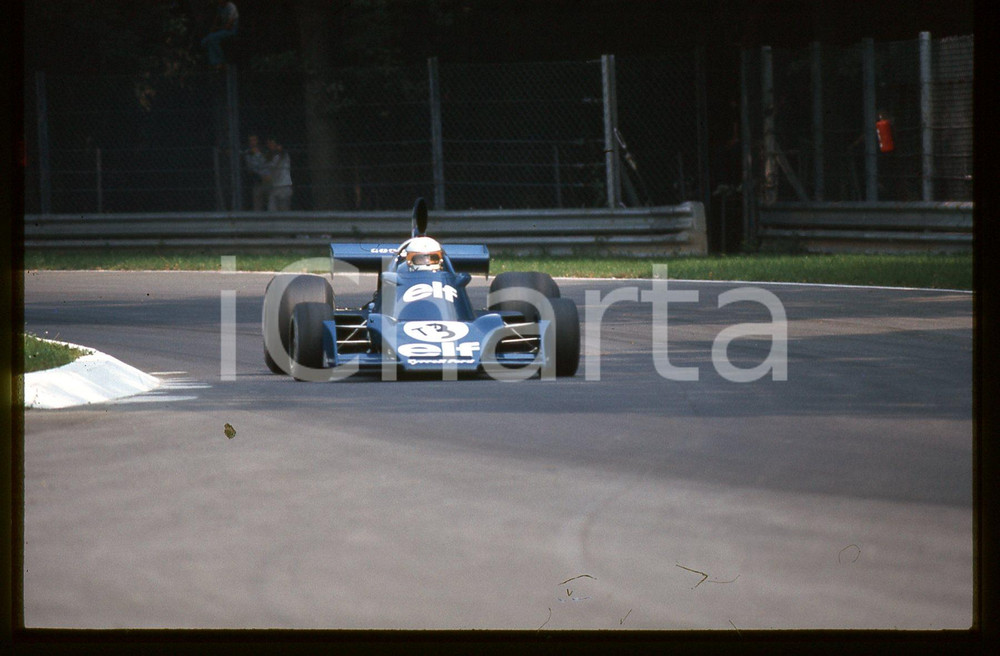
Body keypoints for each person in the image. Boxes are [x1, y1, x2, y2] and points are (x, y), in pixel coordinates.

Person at [202, 1, 239, 70]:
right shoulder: (220, 7)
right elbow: (217, 19)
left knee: (212, 39)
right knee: (204, 41)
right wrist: (213, 28)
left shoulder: (231, 7)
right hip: (223, 29)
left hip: (231, 31)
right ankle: (213, 62)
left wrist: (217, 28)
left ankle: (220, 61)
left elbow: (229, 26)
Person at [264, 137, 293, 211]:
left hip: (284, 186)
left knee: (284, 210)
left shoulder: (283, 155)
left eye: (273, 144)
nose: (271, 146)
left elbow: (273, 166)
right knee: (271, 209)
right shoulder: (270, 156)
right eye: (269, 144)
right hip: (274, 187)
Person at [243, 134, 269, 211]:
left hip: (268, 180)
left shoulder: (264, 150)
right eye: (251, 140)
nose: (253, 142)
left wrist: (257, 154)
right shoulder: (248, 153)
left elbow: (266, 163)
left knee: (270, 203)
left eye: (254, 140)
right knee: (257, 204)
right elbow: (251, 167)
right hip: (258, 181)